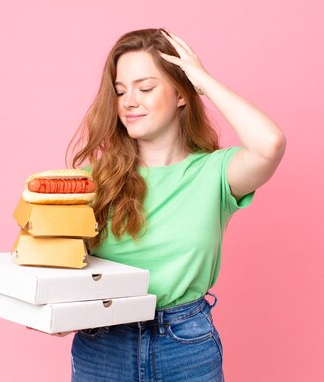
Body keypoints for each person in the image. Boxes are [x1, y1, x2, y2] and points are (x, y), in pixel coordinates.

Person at [64, 28, 286, 381]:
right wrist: (56, 308)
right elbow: (61, 259)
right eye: (120, 91)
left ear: (181, 94)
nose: (128, 101)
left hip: (184, 344)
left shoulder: (214, 173)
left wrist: (203, 81)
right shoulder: (95, 179)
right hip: (103, 342)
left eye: (146, 88)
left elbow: (270, 143)